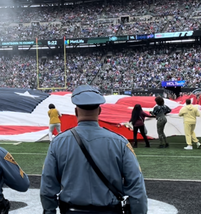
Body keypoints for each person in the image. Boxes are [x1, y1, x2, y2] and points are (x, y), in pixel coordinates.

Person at [41, 85, 148, 214]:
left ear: (76, 112)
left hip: (71, 210)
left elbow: (47, 185)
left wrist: (49, 211)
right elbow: (136, 186)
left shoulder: (59, 142)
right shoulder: (119, 142)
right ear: (99, 111)